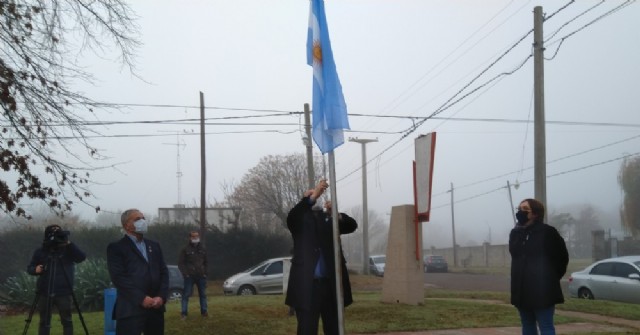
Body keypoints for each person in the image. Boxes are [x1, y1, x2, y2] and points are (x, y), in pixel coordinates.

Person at [285, 179, 358, 335]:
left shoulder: (330, 221)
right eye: (311, 195)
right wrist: (310, 199)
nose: (316, 197)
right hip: (307, 288)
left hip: (331, 286)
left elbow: (352, 225)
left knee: (334, 329)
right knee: (307, 329)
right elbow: (293, 216)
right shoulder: (299, 222)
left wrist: (336, 214)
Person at [509, 198, 569, 335]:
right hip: (521, 290)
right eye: (519, 209)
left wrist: (549, 278)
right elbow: (516, 258)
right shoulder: (515, 233)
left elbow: (561, 258)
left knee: (546, 325)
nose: (520, 212)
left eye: (525, 209)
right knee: (527, 324)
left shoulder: (548, 232)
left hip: (543, 290)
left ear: (535, 213)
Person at [107, 209, 169, 335]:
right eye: (137, 219)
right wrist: (141, 298)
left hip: (155, 309)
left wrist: (161, 296)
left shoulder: (154, 245)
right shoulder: (116, 248)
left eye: (143, 218)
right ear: (126, 225)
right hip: (130, 309)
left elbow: (163, 272)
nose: (142, 221)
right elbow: (119, 278)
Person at [27, 224, 86, 335]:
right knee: (44, 321)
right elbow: (30, 268)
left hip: (64, 291)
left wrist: (68, 243)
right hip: (44, 291)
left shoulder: (67, 250)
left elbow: (81, 257)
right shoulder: (40, 251)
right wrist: (35, 269)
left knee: (67, 321)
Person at [178, 230, 208, 319]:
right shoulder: (185, 249)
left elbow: (206, 262)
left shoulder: (203, 248)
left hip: (201, 276)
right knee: (186, 295)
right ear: (190, 238)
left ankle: (204, 312)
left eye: (197, 236)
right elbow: (181, 263)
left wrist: (205, 273)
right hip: (189, 276)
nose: (196, 238)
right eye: (194, 236)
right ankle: (184, 313)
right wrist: (185, 274)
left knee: (203, 295)